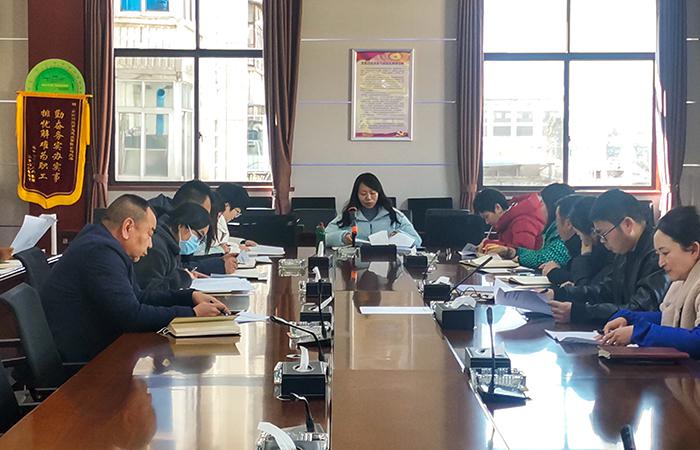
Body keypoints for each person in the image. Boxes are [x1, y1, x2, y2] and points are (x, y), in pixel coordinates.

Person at [40, 194, 229, 362]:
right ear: (128, 227)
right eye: (149, 233)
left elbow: (139, 297)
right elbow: (131, 316)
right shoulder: (100, 253)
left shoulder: (107, 246)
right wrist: (192, 314)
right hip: (83, 362)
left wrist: (189, 297)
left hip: (98, 348)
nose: (151, 243)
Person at [546, 189, 670, 325]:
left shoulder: (658, 254)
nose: (601, 241)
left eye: (603, 234)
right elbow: (606, 290)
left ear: (627, 225)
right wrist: (559, 294)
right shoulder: (626, 249)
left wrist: (579, 312)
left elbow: (639, 309)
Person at [599, 206, 700, 358]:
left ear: (693, 249)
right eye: (658, 254)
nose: (660, 262)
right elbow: (668, 318)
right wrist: (629, 318)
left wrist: (640, 333)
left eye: (665, 253)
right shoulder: (680, 282)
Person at [484, 183, 574, 269]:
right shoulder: (553, 230)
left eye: (542, 203)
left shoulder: (563, 232)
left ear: (554, 207)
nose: (540, 208)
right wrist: (511, 252)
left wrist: (519, 257)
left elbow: (545, 258)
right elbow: (541, 253)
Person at [324, 173, 422, 247]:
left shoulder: (394, 215)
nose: (368, 198)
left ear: (379, 194)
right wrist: (342, 237)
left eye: (373, 193)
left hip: (387, 263)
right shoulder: (348, 215)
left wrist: (399, 235)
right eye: (363, 194)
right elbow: (324, 237)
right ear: (356, 195)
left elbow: (417, 241)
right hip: (354, 263)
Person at [134, 202, 211, 293]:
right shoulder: (156, 249)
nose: (198, 242)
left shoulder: (171, 245)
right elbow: (151, 293)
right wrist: (183, 278)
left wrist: (188, 273)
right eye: (199, 236)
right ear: (182, 226)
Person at [563, 196, 614, 287]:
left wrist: (583, 257)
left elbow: (587, 288)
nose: (581, 239)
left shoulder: (613, 256)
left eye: (579, 234)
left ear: (593, 232)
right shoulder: (602, 253)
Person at [473, 188, 546, 250]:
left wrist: (489, 244)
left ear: (498, 208)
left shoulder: (522, 221)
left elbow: (522, 251)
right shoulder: (508, 221)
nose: (487, 222)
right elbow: (510, 244)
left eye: (487, 216)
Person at [541, 194, 582, 285]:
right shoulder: (574, 245)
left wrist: (555, 273)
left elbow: (582, 283)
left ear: (568, 224)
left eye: (557, 219)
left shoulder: (584, 246)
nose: (556, 224)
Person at [209, 183, 256, 250]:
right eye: (237, 212)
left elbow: (221, 240)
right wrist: (235, 249)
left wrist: (241, 242)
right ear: (227, 205)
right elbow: (210, 247)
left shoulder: (219, 219)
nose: (235, 216)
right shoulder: (209, 220)